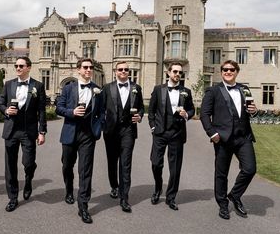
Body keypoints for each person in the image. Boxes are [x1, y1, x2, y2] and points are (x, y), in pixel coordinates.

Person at [200, 60, 257, 220]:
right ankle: (222, 204)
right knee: (221, 173)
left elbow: (250, 111)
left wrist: (254, 111)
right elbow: (204, 114)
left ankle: (235, 194)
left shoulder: (244, 89)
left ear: (237, 71)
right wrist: (212, 133)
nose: (228, 71)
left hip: (243, 137)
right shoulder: (213, 91)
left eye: (232, 69)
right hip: (223, 139)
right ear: (221, 71)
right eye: (225, 69)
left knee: (250, 169)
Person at [55, 58, 104, 223]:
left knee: (85, 170)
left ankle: (83, 205)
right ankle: (69, 189)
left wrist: (98, 126)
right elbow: (59, 108)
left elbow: (102, 112)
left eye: (90, 67)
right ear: (79, 70)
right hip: (70, 132)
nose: (89, 70)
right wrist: (72, 112)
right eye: (85, 67)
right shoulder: (68, 89)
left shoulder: (98, 90)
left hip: (88, 135)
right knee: (67, 165)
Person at [0, 56, 47, 212]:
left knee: (28, 163)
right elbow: (0, 103)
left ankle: (28, 180)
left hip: (28, 131)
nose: (18, 68)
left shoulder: (38, 86)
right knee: (10, 165)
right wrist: (5, 110)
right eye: (16, 65)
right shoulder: (8, 84)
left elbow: (41, 111)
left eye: (21, 66)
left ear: (29, 67)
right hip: (11, 130)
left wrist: (42, 131)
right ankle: (13, 197)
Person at [148, 61, 195, 210]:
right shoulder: (158, 89)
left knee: (175, 167)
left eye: (180, 72)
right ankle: (158, 187)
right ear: (168, 73)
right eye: (174, 71)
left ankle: (171, 197)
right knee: (156, 163)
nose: (177, 74)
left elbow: (192, 109)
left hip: (177, 133)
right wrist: (153, 126)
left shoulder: (186, 91)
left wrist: (187, 114)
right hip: (160, 133)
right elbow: (151, 111)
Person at [101, 61, 144, 212]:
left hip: (128, 131)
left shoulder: (136, 88)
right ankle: (114, 186)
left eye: (126, 69)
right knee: (112, 162)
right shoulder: (107, 88)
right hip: (111, 131)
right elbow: (100, 109)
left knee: (125, 164)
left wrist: (139, 116)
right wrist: (102, 125)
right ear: (115, 71)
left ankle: (124, 198)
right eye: (121, 69)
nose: (124, 71)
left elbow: (141, 108)